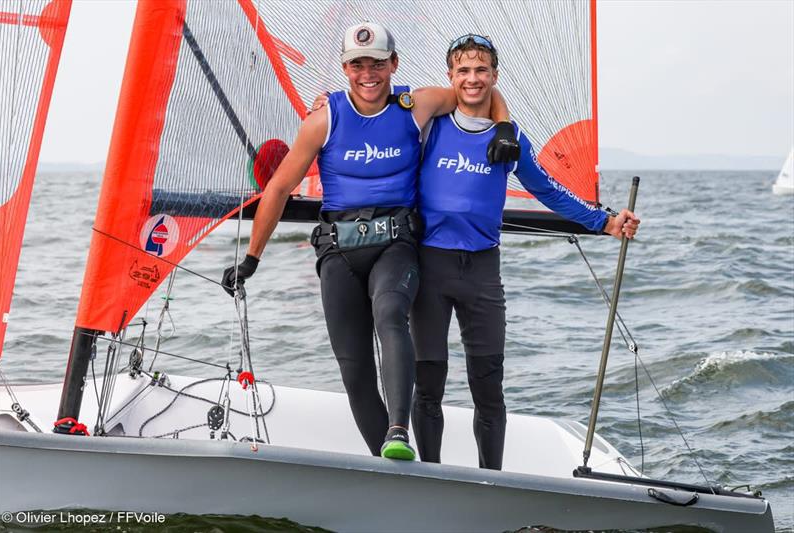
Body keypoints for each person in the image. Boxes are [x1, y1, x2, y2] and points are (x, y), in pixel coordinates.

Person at [222, 24, 518, 461]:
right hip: (339, 249)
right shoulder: (324, 119)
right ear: (345, 69)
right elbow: (280, 188)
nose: (368, 73)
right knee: (355, 367)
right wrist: (251, 259)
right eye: (358, 64)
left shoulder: (414, 106)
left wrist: (505, 127)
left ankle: (399, 430)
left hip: (396, 243)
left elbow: (476, 91)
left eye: (378, 63)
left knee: (390, 312)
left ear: (393, 65)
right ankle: (390, 463)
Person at [410, 34, 640, 470]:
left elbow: (547, 189)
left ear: (494, 76)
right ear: (451, 77)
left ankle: (491, 481)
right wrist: (329, 103)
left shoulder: (510, 137)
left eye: (481, 70)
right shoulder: (431, 127)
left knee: (488, 388)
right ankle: (430, 476)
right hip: (430, 268)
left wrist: (604, 220)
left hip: (481, 272)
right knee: (428, 385)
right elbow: (378, 104)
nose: (472, 79)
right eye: (463, 70)